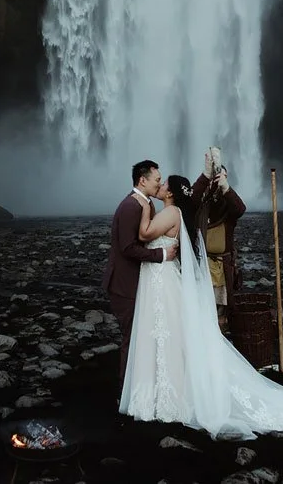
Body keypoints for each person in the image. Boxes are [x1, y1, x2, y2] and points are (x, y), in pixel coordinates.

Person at [118, 174, 283, 440]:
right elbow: (190, 196)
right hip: (163, 280)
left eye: (164, 183)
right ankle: (169, 389)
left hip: (169, 279)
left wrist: (144, 204)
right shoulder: (179, 210)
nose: (160, 184)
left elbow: (145, 233)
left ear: (171, 193)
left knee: (173, 334)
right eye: (158, 179)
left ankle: (169, 392)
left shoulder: (171, 211)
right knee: (172, 334)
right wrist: (205, 176)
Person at [102, 160, 179, 403]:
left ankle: (141, 390)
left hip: (139, 283)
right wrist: (161, 255)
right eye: (157, 180)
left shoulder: (144, 204)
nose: (159, 184)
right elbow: (127, 247)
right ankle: (126, 395)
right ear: (142, 180)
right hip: (125, 284)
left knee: (140, 337)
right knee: (131, 339)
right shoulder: (131, 206)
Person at [192, 148, 246, 331]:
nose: (216, 180)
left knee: (222, 309)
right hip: (202, 263)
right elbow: (190, 200)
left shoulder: (229, 205)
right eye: (214, 177)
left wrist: (225, 186)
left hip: (222, 265)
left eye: (220, 176)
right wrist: (205, 176)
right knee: (201, 306)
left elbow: (240, 209)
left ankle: (220, 336)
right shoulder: (202, 202)